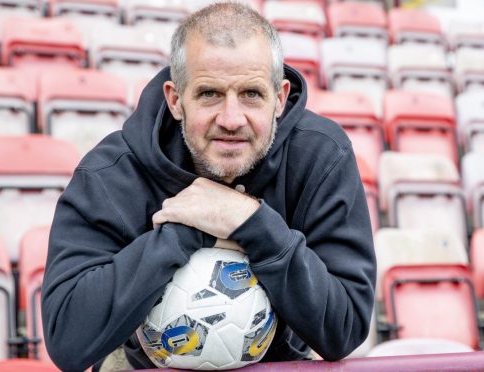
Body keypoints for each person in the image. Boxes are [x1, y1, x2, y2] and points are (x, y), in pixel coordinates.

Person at [41, 3, 376, 371]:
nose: (231, 119)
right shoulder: (110, 174)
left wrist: (252, 223)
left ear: (279, 98)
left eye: (251, 94)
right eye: (209, 94)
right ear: (175, 99)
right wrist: (183, 233)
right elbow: (67, 341)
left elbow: (345, 328)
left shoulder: (321, 156)